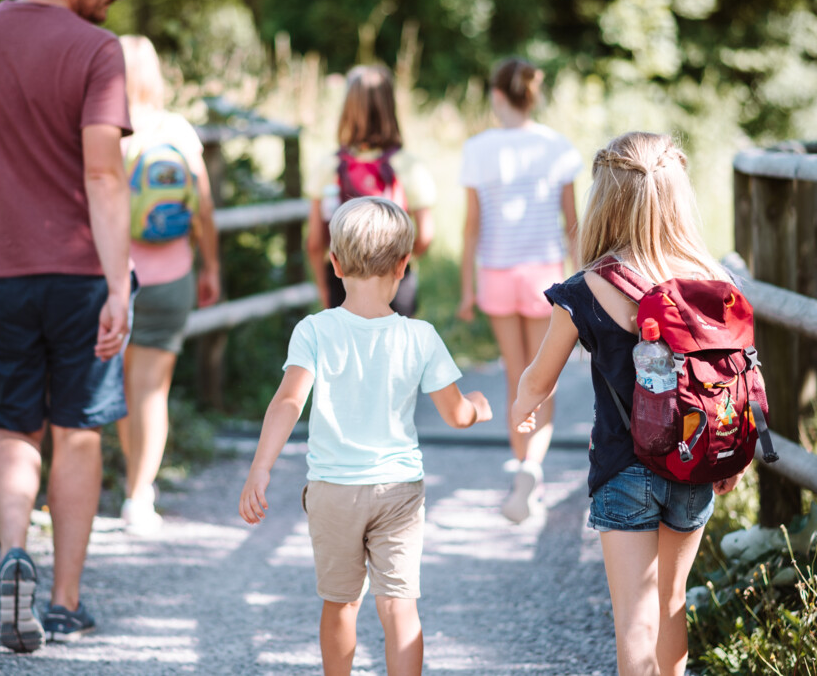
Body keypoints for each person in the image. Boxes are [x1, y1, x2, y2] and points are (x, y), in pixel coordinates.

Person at [0, 0, 135, 651]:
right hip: (79, 272)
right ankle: (61, 600)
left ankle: (12, 551)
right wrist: (119, 283)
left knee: (11, 420)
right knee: (78, 431)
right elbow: (102, 173)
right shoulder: (97, 51)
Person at [510, 132, 744, 676]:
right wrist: (730, 451)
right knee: (671, 603)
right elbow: (740, 371)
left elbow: (540, 379)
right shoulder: (714, 281)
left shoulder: (586, 288)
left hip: (623, 470)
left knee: (632, 624)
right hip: (695, 464)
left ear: (605, 202)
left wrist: (523, 401)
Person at [240, 196, 492, 676]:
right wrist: (479, 408)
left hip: (333, 491)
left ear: (334, 263)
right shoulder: (420, 336)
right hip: (398, 491)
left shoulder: (313, 330)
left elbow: (289, 402)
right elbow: (456, 414)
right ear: (404, 266)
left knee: (340, 603)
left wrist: (261, 468)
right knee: (399, 606)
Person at [456, 56, 581, 523]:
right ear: (533, 96)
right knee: (541, 381)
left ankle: (521, 474)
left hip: (496, 275)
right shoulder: (557, 147)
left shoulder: (477, 148)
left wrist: (467, 289)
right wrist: (583, 286)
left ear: (495, 96)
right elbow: (572, 226)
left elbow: (471, 226)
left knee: (516, 378)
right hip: (545, 276)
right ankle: (532, 468)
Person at [116, 34, 220, 534]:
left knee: (120, 388)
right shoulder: (177, 128)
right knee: (151, 392)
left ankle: (133, 481)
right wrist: (211, 268)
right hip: (173, 275)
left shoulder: (104, 129)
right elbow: (203, 207)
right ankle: (141, 495)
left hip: (114, 280)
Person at [305, 65, 436, 317]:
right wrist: (402, 264)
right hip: (396, 281)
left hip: (341, 279)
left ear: (347, 110)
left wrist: (323, 288)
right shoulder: (408, 165)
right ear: (390, 108)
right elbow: (426, 235)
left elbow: (314, 242)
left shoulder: (328, 167)